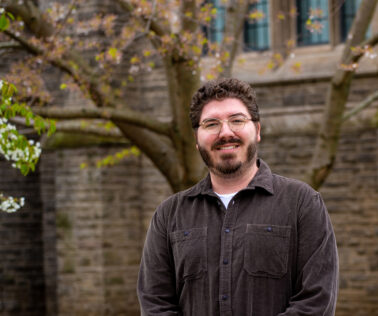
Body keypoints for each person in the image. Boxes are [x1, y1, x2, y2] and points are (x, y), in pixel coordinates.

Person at [137, 78, 338, 316]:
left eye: (237, 120)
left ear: (258, 130)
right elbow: (155, 304)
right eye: (211, 124)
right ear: (196, 140)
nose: (225, 132)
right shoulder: (169, 215)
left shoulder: (302, 204)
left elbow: (316, 302)